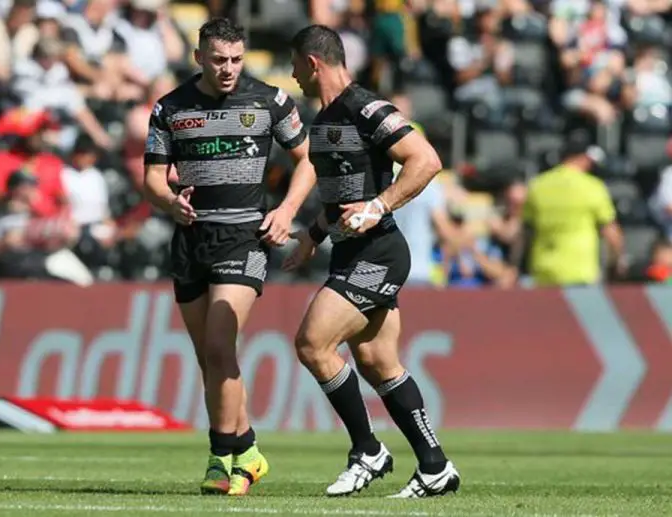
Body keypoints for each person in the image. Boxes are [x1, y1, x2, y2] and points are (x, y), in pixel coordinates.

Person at [283, 24, 460, 499]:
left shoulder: (367, 107)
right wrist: (312, 236)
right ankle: (435, 466)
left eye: (295, 65)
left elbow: (426, 160)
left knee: (313, 344)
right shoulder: (323, 120)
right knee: (377, 362)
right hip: (349, 252)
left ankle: (368, 450)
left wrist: (379, 206)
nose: (293, 74)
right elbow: (343, 199)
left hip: (379, 252)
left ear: (312, 63)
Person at [143, 18, 315, 496]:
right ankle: (249, 451)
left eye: (237, 59)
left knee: (220, 344)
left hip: (244, 238)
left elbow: (308, 159)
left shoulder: (270, 100)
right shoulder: (170, 108)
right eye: (219, 59)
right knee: (211, 360)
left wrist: (287, 210)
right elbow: (153, 178)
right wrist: (169, 202)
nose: (228, 69)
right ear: (198, 56)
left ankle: (220, 459)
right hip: (191, 239)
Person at [515, 133, 626, 286]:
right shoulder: (593, 187)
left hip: (543, 270)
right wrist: (618, 260)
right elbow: (610, 231)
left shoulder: (538, 185)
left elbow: (525, 231)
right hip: (579, 271)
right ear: (584, 158)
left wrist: (515, 264)